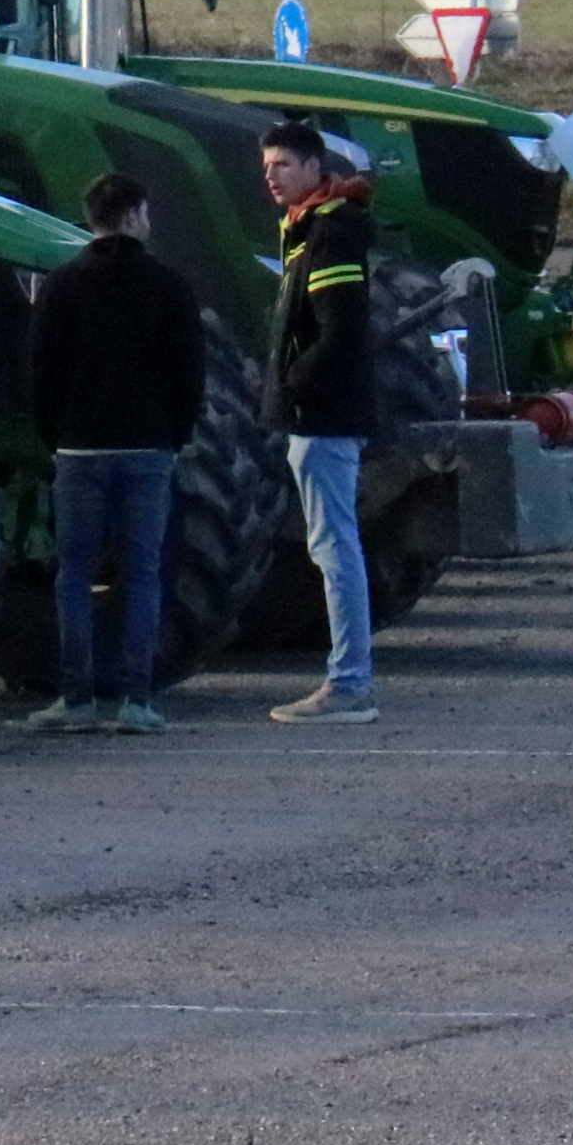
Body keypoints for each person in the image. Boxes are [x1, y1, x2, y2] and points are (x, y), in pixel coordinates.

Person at [19, 172, 208, 736]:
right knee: (143, 575)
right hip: (148, 448)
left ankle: (75, 697)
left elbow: (38, 372)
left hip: (78, 448)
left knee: (73, 575)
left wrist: (55, 435)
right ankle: (136, 699)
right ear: (131, 216)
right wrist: (174, 433)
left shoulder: (61, 285)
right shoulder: (168, 285)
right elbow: (190, 373)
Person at [260, 116, 382, 724]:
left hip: (324, 416)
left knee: (335, 548)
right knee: (335, 545)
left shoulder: (329, 235)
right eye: (266, 168)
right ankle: (349, 676)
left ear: (313, 167)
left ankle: (349, 682)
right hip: (321, 414)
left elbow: (339, 331)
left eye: (283, 165)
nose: (272, 177)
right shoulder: (310, 228)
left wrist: (289, 388)